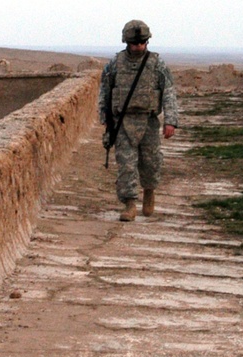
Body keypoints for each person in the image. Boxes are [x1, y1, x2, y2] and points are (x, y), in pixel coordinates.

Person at [99, 19, 179, 221]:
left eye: (142, 43)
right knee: (126, 164)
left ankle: (149, 191)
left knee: (151, 163)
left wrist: (171, 120)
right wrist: (105, 119)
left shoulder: (156, 64)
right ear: (127, 42)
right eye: (135, 43)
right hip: (123, 122)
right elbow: (105, 92)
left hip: (149, 121)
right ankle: (129, 204)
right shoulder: (115, 65)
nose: (138, 47)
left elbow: (168, 92)